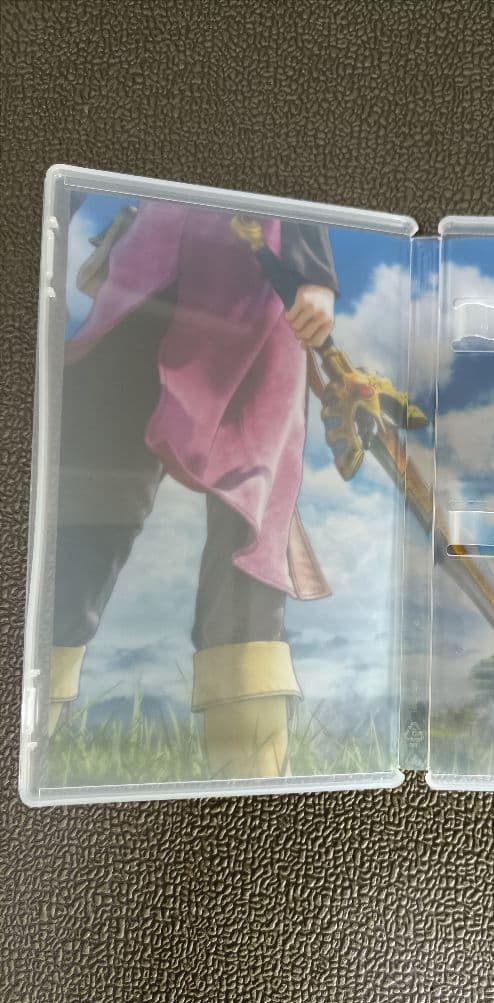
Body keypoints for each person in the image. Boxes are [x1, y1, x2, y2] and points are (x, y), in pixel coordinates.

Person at [49, 196, 339, 779]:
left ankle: (251, 778)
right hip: (147, 271)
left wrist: (313, 272)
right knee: (90, 487)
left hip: (257, 290)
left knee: (250, 524)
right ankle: (30, 722)